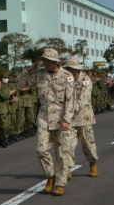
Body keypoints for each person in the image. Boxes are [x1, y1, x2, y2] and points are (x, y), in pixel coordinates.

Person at [17, 48, 77, 196]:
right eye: (43, 60)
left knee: (62, 153)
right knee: (41, 149)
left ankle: (61, 183)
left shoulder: (67, 76)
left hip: (61, 119)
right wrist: (30, 69)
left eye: (48, 61)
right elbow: (20, 83)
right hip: (44, 117)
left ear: (55, 61)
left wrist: (67, 120)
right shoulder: (39, 75)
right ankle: (51, 176)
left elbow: (71, 100)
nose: (45, 63)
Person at [63, 57, 98, 178]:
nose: (67, 70)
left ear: (75, 68)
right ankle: (67, 168)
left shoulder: (85, 79)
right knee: (68, 144)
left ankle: (92, 162)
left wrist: (72, 109)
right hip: (70, 119)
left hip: (84, 117)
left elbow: (84, 97)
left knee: (88, 143)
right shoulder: (66, 79)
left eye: (69, 68)